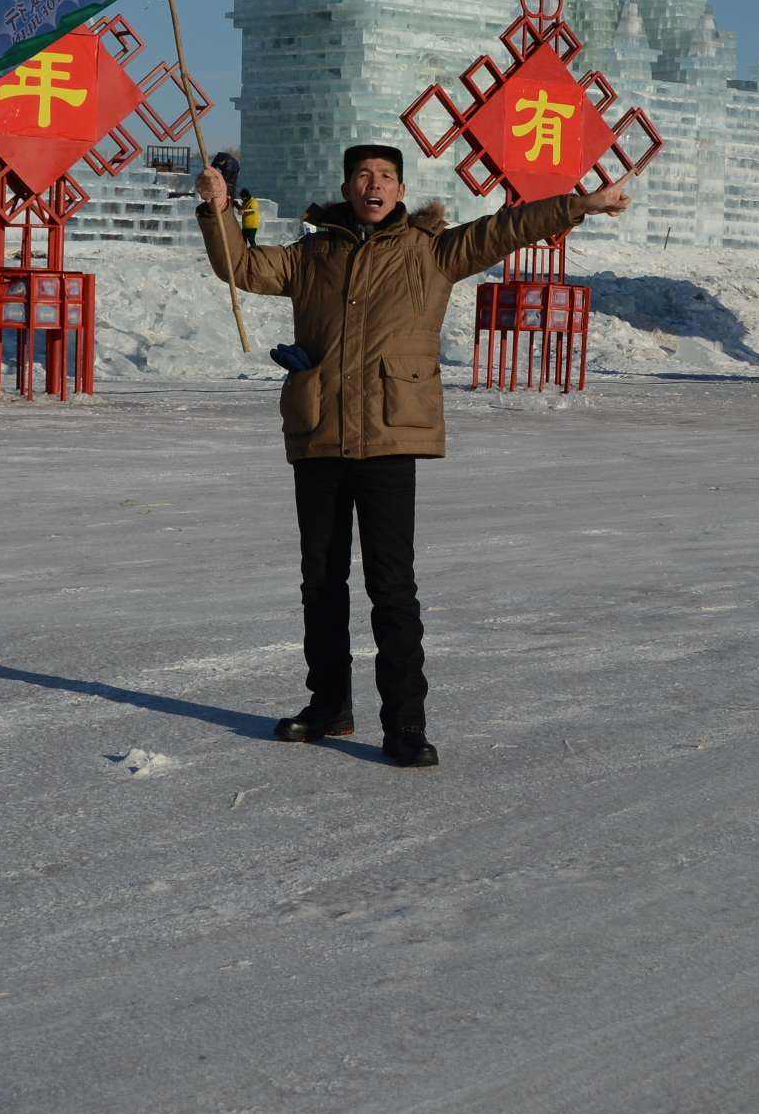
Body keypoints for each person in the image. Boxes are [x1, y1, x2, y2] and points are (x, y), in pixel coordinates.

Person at [197, 143, 628, 770]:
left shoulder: (433, 251)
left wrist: (578, 205)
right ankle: (328, 707)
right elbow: (241, 269)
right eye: (364, 176)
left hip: (392, 436)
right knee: (321, 581)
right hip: (319, 432)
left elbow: (505, 228)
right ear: (347, 187)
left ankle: (405, 723)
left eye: (387, 178)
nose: (375, 186)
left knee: (392, 587)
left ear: (400, 190)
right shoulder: (312, 254)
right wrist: (216, 212)